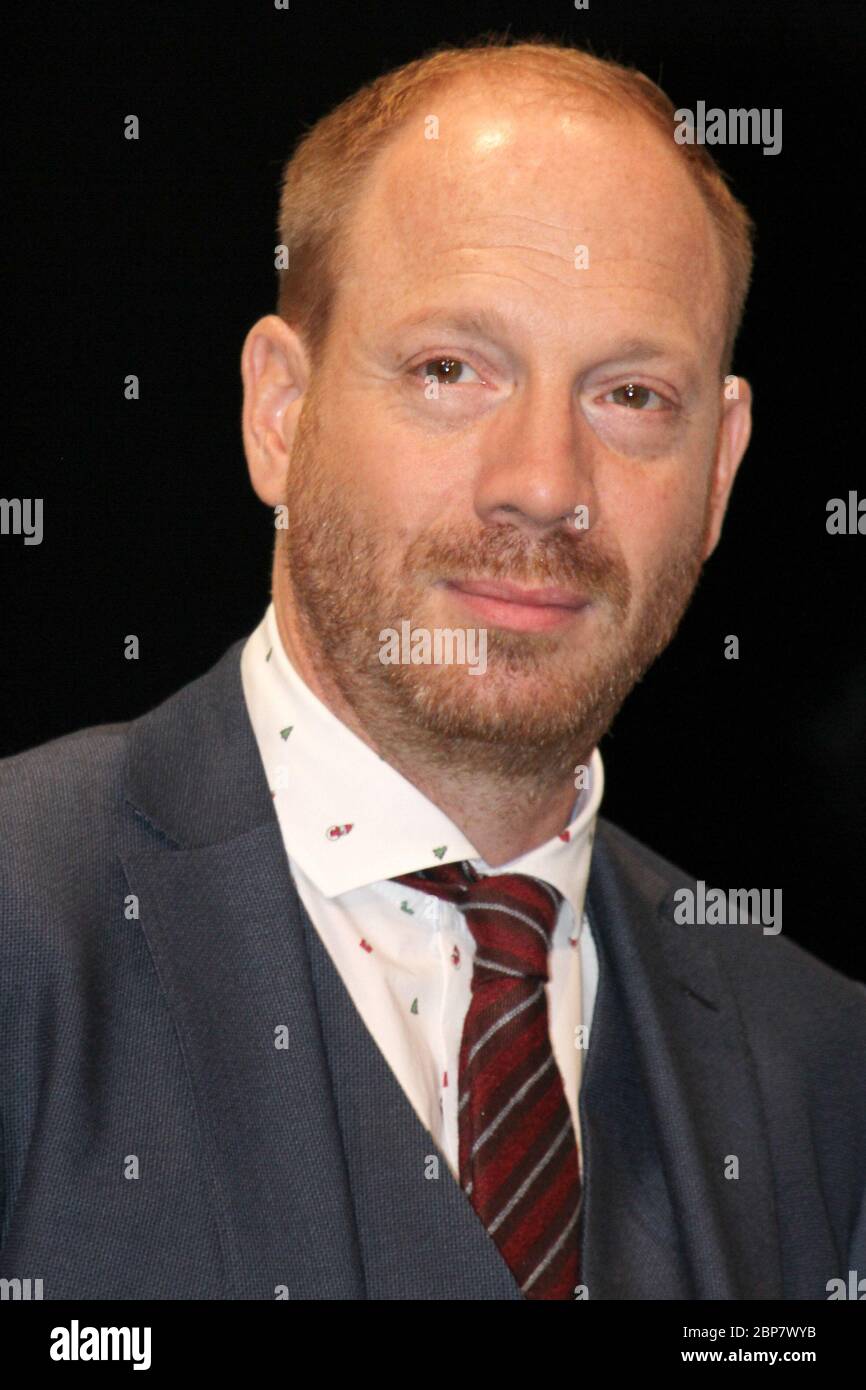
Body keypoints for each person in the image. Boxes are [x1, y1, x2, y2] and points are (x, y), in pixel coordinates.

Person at [1, 36, 864, 1302]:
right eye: (450, 370)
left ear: (720, 469)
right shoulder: (24, 921)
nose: (543, 485)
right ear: (279, 416)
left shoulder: (821, 1072)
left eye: (629, 395)